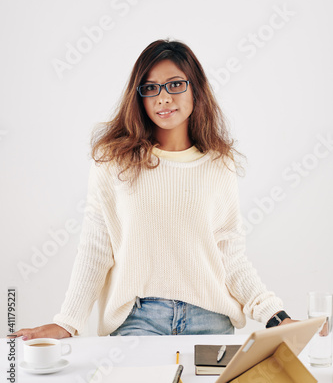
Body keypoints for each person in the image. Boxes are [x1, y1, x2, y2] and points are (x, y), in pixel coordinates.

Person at [10, 39, 294, 341]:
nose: (163, 98)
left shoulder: (218, 165)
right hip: (138, 318)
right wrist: (68, 321)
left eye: (175, 85)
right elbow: (96, 248)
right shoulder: (114, 161)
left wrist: (277, 317)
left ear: (196, 88)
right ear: (140, 97)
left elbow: (230, 256)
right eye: (151, 88)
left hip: (210, 319)